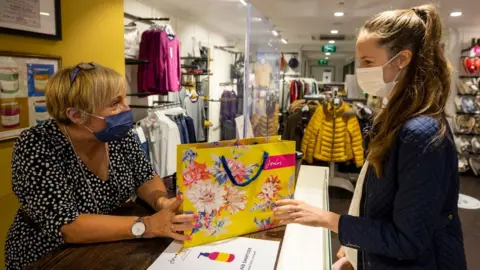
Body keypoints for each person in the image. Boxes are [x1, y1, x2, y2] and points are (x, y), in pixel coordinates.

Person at [274, 4, 466, 270]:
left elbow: (408, 241)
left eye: (368, 62)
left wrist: (330, 220)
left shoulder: (420, 132)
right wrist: (356, 249)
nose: (361, 71)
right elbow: (381, 205)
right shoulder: (394, 117)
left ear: (402, 59)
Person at [4, 63, 198, 270]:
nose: (126, 109)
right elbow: (68, 226)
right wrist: (148, 225)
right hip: (50, 255)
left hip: (112, 243)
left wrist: (160, 202)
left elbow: (145, 177)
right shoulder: (37, 144)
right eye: (115, 103)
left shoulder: (119, 136)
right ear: (76, 115)